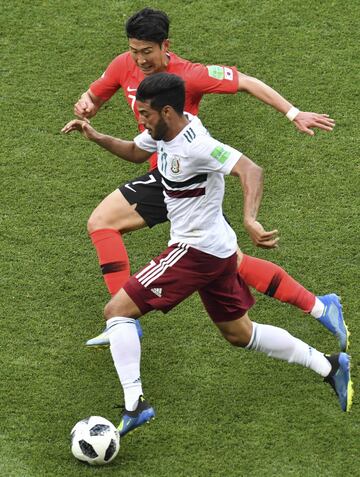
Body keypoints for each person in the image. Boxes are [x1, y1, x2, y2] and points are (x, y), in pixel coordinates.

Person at [64, 73, 353, 436]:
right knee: (240, 334)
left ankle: (135, 405)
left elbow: (250, 168)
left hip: (193, 250)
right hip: (217, 251)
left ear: (167, 112)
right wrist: (97, 136)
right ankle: (330, 366)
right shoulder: (164, 131)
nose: (142, 120)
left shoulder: (197, 145)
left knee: (117, 311)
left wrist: (250, 218)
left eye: (146, 115)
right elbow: (137, 151)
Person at [73, 8, 347, 351]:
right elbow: (96, 94)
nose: (140, 60)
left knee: (103, 222)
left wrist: (294, 113)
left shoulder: (192, 74)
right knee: (230, 260)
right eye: (134, 51)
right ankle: (321, 306)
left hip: (182, 176)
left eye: (147, 52)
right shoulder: (123, 64)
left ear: (165, 46)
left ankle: (123, 320)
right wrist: (87, 105)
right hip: (165, 172)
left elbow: (245, 81)